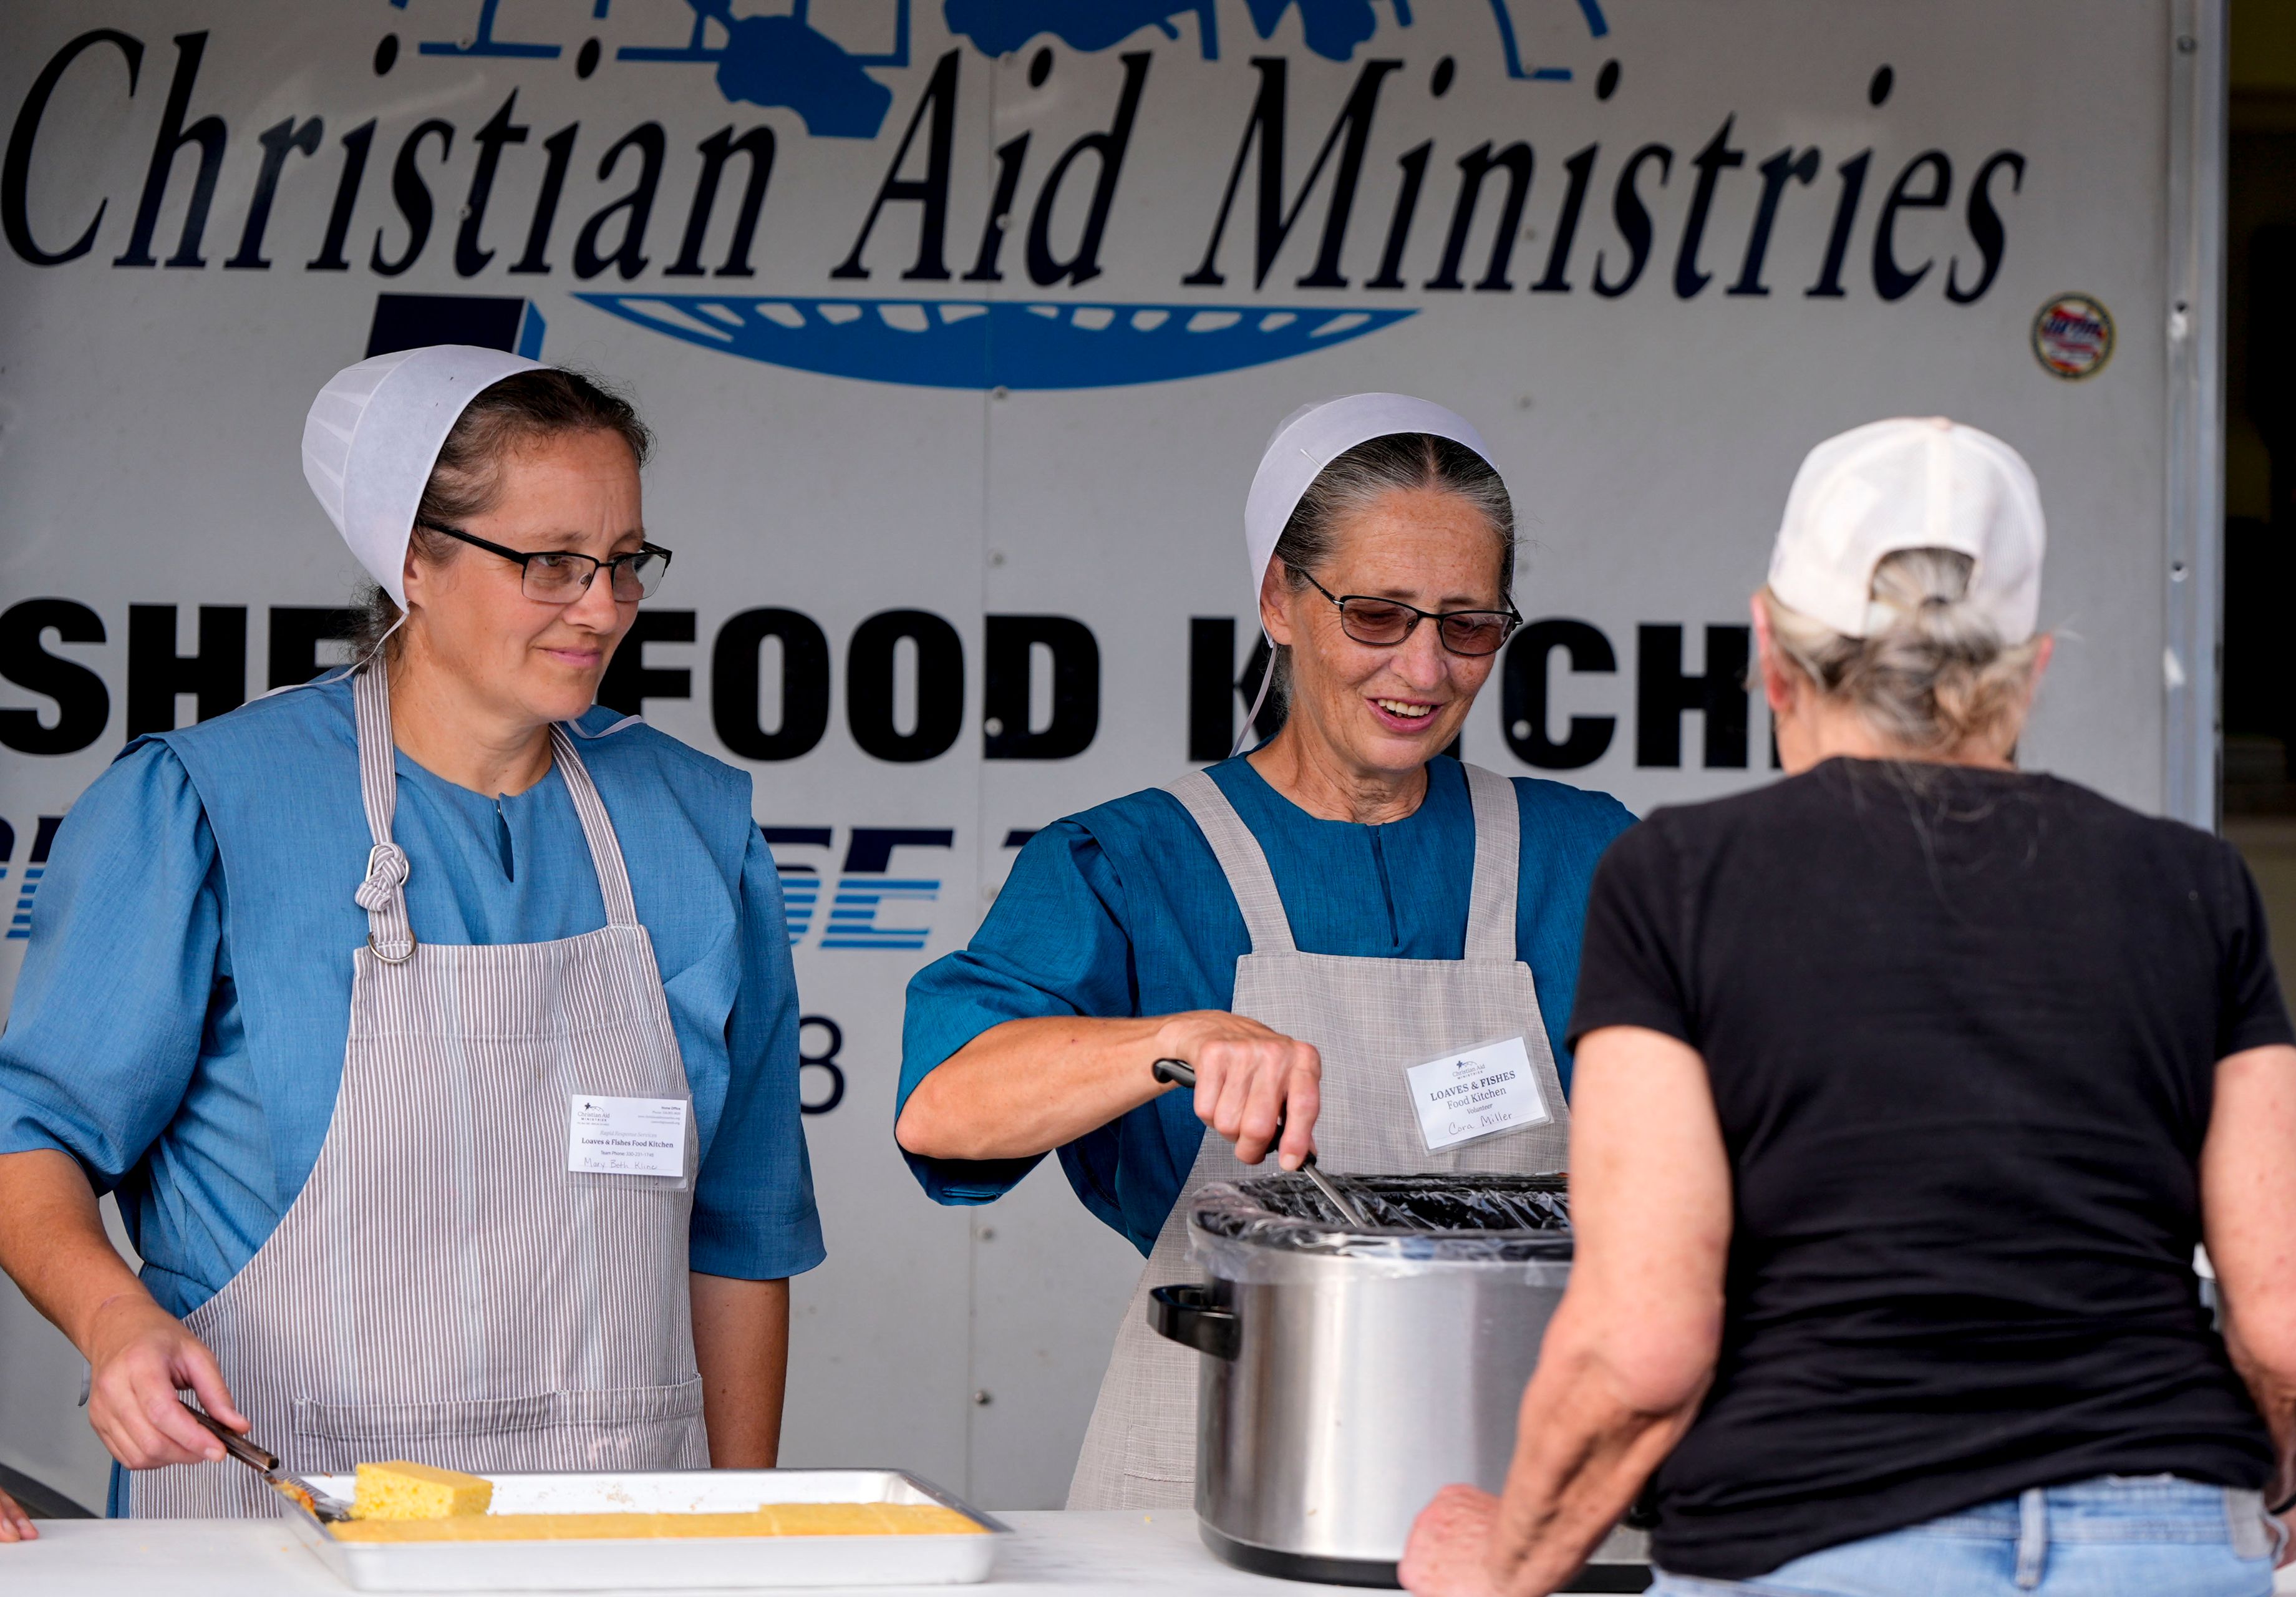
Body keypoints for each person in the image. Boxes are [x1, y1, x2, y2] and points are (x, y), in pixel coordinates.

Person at [1400, 417, 2296, 1597]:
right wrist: (2256, 1484)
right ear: (2033, 669)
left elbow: (1642, 1350)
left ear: (1770, 649)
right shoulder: (2191, 886)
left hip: (1813, 1535)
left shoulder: (1683, 882)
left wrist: (1505, 1561)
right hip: (2157, 1544)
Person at [0, 346, 823, 1517]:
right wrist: (112, 1314)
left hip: (613, 1531)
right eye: (551, 563)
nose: (603, 607)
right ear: (412, 561)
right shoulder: (210, 806)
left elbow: (740, 1236)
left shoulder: (696, 825)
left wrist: (744, 1533)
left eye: (624, 563)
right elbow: (30, 1137)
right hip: (276, 1519)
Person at [894, 394, 1636, 1509]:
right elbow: (944, 1109)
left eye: (1468, 625)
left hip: (1522, 1474)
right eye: (1379, 616)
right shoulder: (1134, 859)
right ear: (1280, 600)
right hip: (1220, 1451)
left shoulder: (1585, 859)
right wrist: (1173, 1040)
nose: (1425, 671)